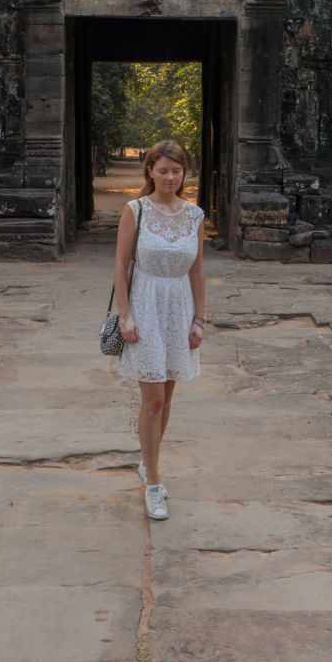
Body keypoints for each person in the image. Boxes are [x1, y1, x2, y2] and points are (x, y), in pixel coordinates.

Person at [111, 138, 205, 520]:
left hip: (179, 308)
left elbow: (198, 269)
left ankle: (148, 462)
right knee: (152, 401)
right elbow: (120, 265)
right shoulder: (135, 210)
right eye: (162, 170)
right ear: (150, 170)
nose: (169, 176)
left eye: (176, 170)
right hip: (145, 305)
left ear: (185, 173)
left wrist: (199, 319)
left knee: (166, 400)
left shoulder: (194, 215)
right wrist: (125, 315)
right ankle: (153, 482)